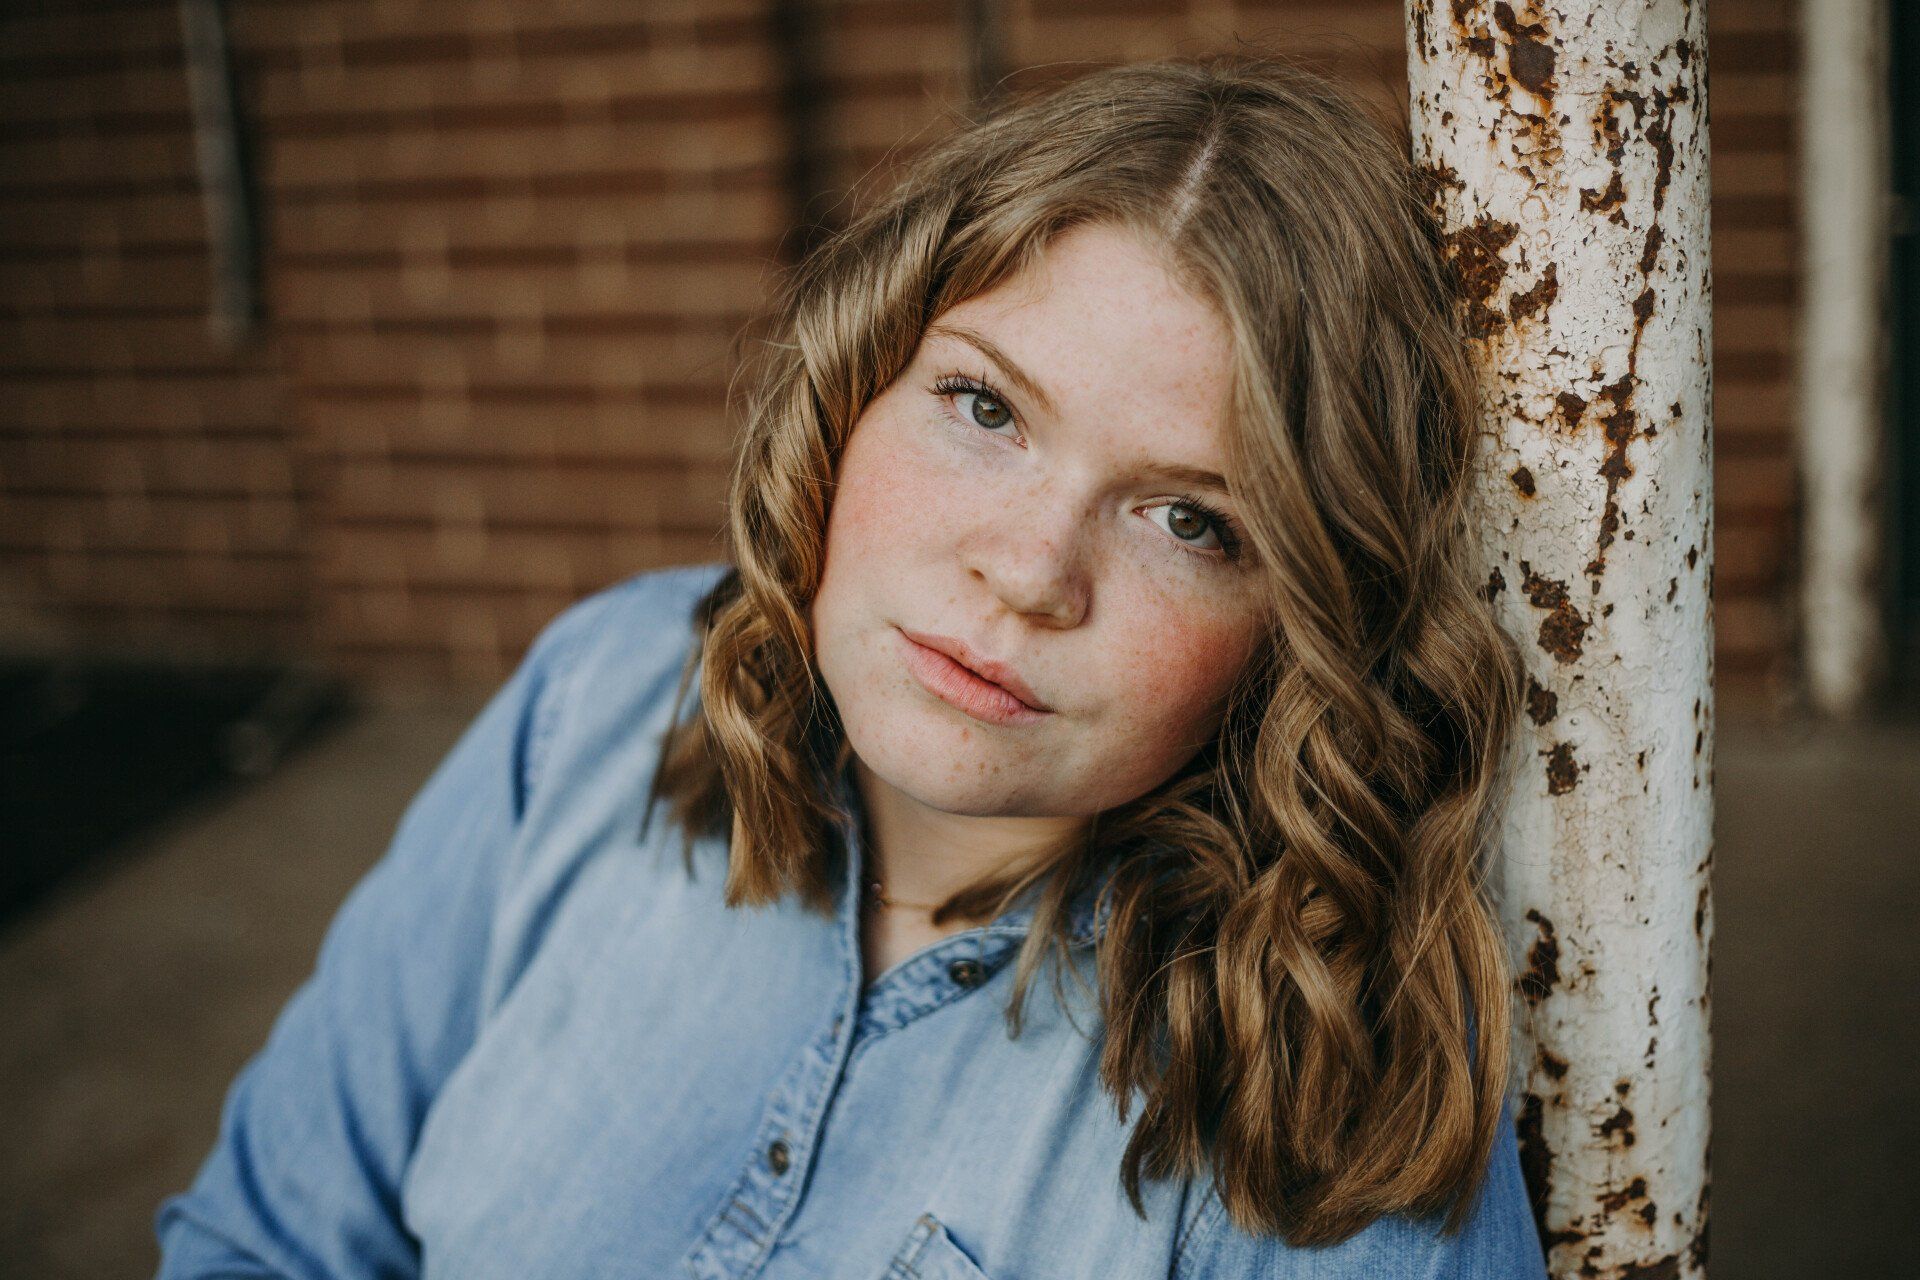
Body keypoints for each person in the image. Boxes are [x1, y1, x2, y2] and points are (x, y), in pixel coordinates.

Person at [154, 51, 1549, 1279]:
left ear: (1304, 621)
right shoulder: (602, 694)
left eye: (1195, 520)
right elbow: (268, 1241)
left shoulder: (1320, 1078)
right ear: (851, 390)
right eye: (984, 407)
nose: (1027, 571)